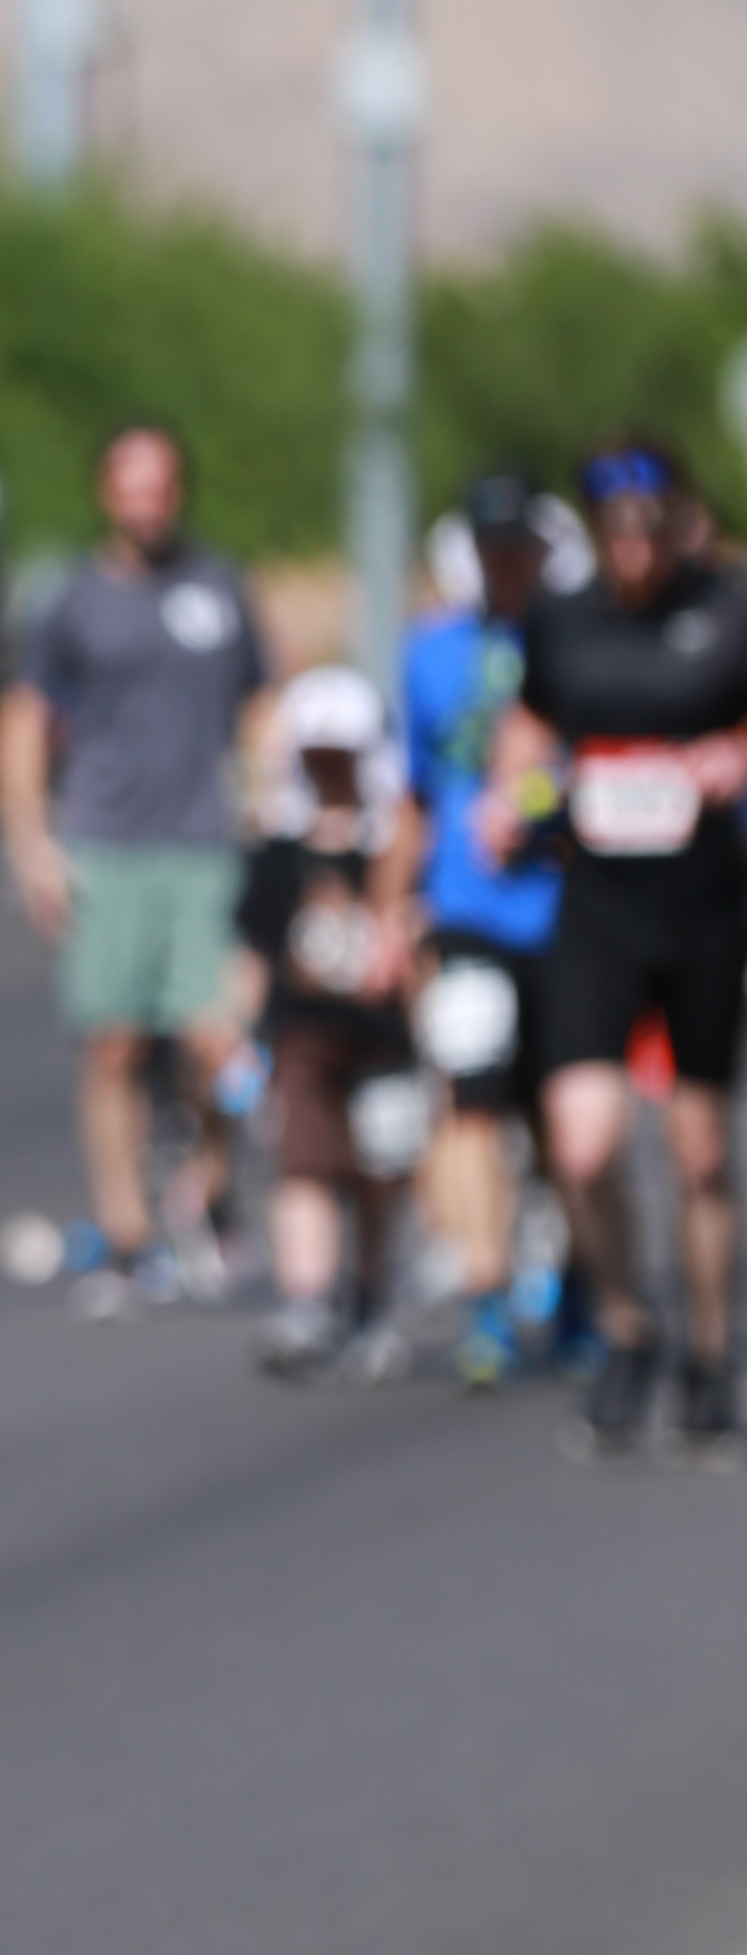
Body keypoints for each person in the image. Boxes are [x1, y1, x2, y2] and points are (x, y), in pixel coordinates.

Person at [487, 433, 747, 1463]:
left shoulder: (728, 609)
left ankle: (709, 1355)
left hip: (705, 905)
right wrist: (506, 796)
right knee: (583, 1142)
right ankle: (630, 1331)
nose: (633, 546)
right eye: (615, 529)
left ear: (678, 523)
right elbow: (528, 729)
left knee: (699, 1148)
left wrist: (735, 753)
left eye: (649, 526)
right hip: (598, 905)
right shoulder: (562, 620)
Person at [0, 421, 270, 1313]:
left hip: (204, 844)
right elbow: (23, 720)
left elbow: (264, 703)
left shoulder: (219, 589)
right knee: (113, 1043)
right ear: (108, 493)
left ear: (178, 491)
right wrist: (32, 843)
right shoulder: (74, 601)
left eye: (160, 484)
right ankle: (127, 1235)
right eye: (130, 484)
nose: (146, 501)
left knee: (213, 1039)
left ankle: (211, 1190)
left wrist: (269, 801)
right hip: (106, 842)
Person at [400, 471, 564, 1386]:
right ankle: (486, 1291)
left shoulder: (578, 640)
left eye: (516, 544)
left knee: (559, 1112)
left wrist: (533, 799)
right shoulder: (430, 651)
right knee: (469, 1092)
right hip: (466, 905)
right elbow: (416, 792)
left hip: (566, 907)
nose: (503, 560)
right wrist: (393, 903)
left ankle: (582, 1286)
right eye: (488, 544)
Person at [229, 664, 420, 1380]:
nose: (330, 771)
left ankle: (372, 1300)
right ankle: (310, 1300)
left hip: (382, 1038)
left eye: (342, 757)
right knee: (303, 1163)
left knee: (379, 1171)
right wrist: (239, 1044)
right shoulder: (281, 850)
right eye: (318, 757)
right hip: (302, 1034)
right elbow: (252, 951)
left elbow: (417, 932)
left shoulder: (393, 845)